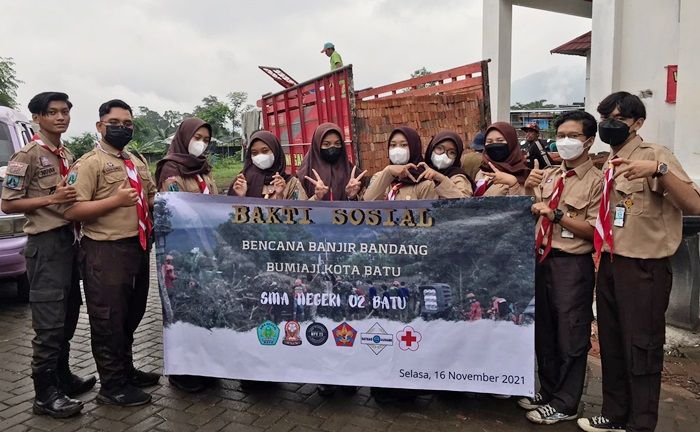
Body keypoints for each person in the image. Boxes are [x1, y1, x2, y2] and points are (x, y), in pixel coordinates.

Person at [578, 92, 700, 432]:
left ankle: (641, 422)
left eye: (616, 118)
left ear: (638, 123)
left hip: (645, 268)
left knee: (642, 347)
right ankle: (615, 414)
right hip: (611, 264)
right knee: (612, 343)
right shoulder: (610, 161)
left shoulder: (655, 155)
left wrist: (659, 171)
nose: (607, 125)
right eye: (603, 119)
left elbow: (694, 205)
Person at [1, 92, 94, 418]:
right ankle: (44, 394)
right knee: (49, 322)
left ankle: (63, 377)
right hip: (45, 245)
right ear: (37, 118)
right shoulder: (24, 156)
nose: (61, 117)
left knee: (69, 313)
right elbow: (8, 204)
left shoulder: (64, 153)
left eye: (65, 111)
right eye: (52, 112)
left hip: (69, 243)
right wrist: (50, 199)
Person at [63, 99, 160, 407]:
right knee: (108, 319)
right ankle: (112, 386)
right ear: (99, 126)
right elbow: (71, 209)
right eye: (115, 123)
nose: (122, 128)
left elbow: (153, 197)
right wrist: (114, 202)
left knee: (131, 313)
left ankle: (126, 369)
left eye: (128, 123)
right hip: (105, 251)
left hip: (138, 247)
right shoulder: (88, 163)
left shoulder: (137, 161)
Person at [517, 111, 603, 425]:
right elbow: (531, 211)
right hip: (542, 260)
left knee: (571, 333)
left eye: (573, 136)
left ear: (589, 141)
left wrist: (558, 216)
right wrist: (528, 188)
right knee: (545, 331)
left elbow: (596, 231)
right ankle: (549, 392)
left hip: (572, 265)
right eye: (561, 135)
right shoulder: (550, 175)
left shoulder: (596, 182)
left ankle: (567, 403)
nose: (565, 142)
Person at [364, 126, 438, 201]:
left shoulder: (426, 183)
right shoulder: (379, 176)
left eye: (404, 145)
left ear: (414, 148)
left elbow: (430, 211)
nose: (397, 150)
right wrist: (388, 172)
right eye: (393, 145)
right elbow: (367, 204)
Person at [296, 123, 366, 201]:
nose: (332, 148)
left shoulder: (353, 173)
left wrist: (352, 197)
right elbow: (299, 210)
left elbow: (366, 209)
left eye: (337, 143)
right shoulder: (305, 174)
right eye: (326, 144)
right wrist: (316, 198)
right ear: (317, 145)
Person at [228, 130, 306, 199]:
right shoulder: (242, 181)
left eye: (265, 151)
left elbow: (301, 212)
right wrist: (241, 198)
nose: (260, 156)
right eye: (254, 153)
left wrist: (280, 196)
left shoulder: (291, 183)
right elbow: (229, 212)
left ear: (276, 151)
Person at [155, 118, 217, 194]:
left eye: (206, 140)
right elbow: (175, 203)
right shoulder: (171, 169)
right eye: (197, 138)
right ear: (185, 136)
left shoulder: (203, 165)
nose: (201, 143)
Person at [473, 122, 530, 197]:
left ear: (511, 142)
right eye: (489, 142)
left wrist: (513, 183)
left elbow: (523, 205)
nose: (494, 145)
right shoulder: (483, 170)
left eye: (500, 140)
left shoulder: (524, 173)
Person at [420, 131, 473, 198]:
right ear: (431, 148)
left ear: (457, 157)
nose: (444, 155)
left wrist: (441, 179)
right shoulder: (420, 172)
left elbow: (465, 204)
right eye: (439, 148)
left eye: (451, 152)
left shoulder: (458, 178)